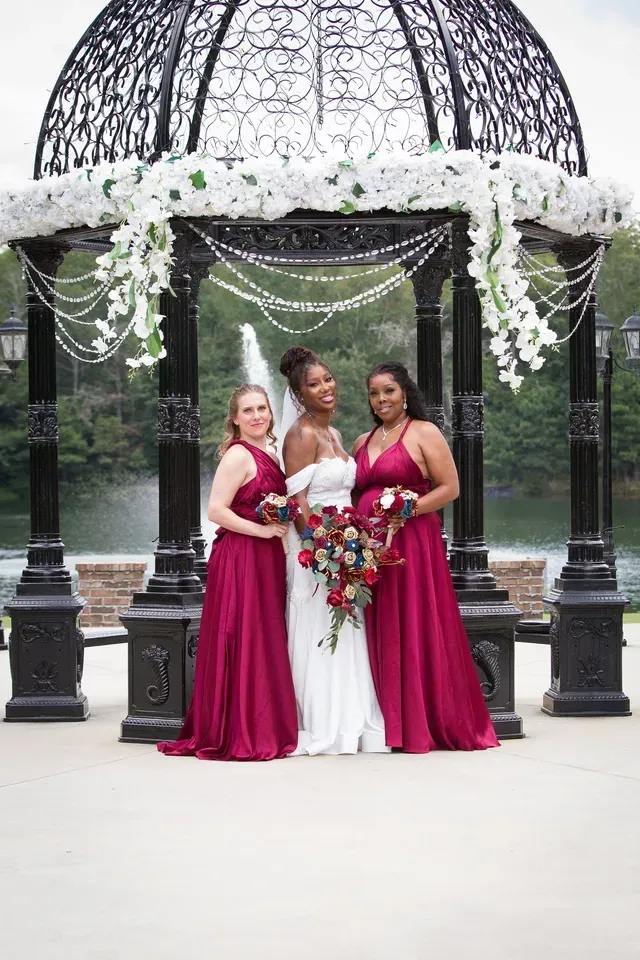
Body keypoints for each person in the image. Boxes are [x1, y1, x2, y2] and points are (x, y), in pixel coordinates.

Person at [353, 362, 499, 754]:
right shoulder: (362, 441)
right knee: (379, 623)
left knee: (414, 622)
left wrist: (409, 508)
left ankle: (420, 722)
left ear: (405, 392)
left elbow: (450, 488)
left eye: (389, 391)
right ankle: (385, 721)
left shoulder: (423, 432)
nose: (381, 399)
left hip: (412, 544)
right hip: (372, 547)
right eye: (374, 393)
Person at [158, 384, 298, 761]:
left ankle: (262, 721)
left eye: (262, 409)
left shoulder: (269, 451)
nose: (257, 416)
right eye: (248, 410)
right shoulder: (238, 455)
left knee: (264, 636)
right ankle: (242, 730)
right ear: (235, 418)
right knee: (245, 635)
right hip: (240, 556)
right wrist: (264, 531)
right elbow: (217, 511)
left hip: (264, 556)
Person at [279, 346, 388, 755]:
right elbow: (299, 502)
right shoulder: (301, 435)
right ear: (299, 395)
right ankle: (324, 721)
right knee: (321, 630)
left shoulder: (336, 435)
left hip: (347, 549)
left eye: (327, 379)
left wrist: (353, 546)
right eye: (314, 384)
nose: (325, 387)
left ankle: (353, 719)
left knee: (348, 630)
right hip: (317, 555)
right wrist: (324, 552)